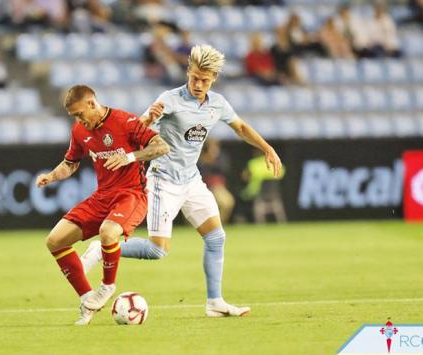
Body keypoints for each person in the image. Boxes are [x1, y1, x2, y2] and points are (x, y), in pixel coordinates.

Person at [82, 45, 282, 317]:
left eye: (205, 80)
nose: (198, 84)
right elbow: (135, 131)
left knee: (216, 237)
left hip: (191, 180)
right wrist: (148, 118)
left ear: (214, 79)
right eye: (194, 77)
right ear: (188, 71)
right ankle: (101, 247)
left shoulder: (218, 104)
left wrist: (266, 147)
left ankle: (215, 303)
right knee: (157, 250)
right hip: (163, 180)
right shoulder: (170, 99)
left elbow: (241, 128)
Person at [36, 85, 169, 325]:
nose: (78, 120)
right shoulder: (79, 131)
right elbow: (71, 163)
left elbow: (161, 147)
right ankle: (88, 300)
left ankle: (107, 286)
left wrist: (130, 157)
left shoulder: (125, 121)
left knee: (108, 232)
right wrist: (52, 176)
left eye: (79, 114)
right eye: (74, 117)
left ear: (91, 104)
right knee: (55, 240)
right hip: (102, 196)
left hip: (131, 194)